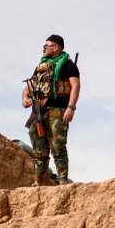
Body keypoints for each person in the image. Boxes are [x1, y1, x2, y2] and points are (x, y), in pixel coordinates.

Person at [22, 34, 80, 186]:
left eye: (46, 45)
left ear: (55, 47)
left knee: (58, 147)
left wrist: (71, 107)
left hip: (58, 110)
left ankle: (62, 181)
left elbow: (75, 85)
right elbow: (28, 87)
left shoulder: (67, 65)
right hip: (39, 111)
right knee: (39, 151)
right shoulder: (41, 67)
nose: (44, 48)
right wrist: (25, 99)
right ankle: (38, 183)